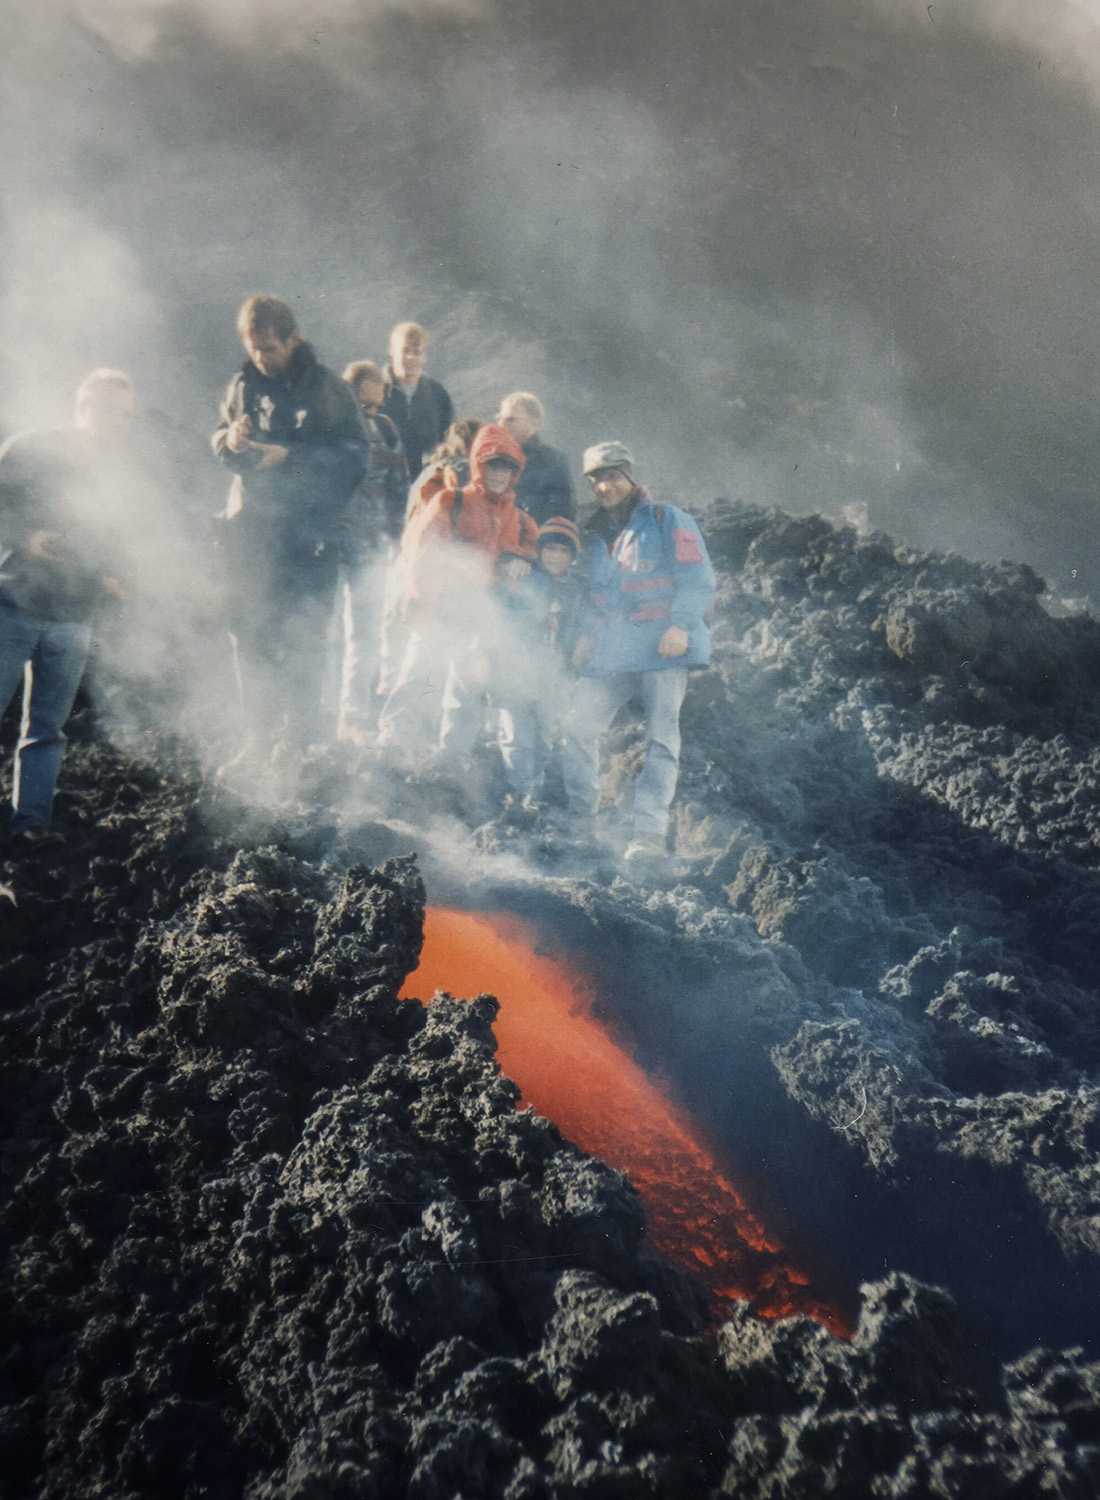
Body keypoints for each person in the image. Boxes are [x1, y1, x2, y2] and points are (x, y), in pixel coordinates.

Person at [212, 294, 367, 771]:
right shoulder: (241, 384)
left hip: (309, 537)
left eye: (271, 349)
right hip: (252, 535)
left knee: (304, 639)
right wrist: (230, 442)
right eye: (254, 348)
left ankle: (298, 746)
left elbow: (354, 456)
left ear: (293, 339)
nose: (262, 358)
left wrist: (291, 457)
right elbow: (219, 436)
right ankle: (256, 743)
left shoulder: (327, 389)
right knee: (251, 639)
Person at [562, 441, 715, 862]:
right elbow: (600, 599)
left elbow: (697, 576)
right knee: (577, 725)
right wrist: (586, 637)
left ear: (630, 475)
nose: (604, 486)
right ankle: (581, 819)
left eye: (612, 476)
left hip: (663, 646)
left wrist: (682, 625)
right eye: (596, 479)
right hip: (615, 650)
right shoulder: (597, 535)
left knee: (661, 737)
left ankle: (647, 834)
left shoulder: (667, 519)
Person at [0, 368, 134, 842]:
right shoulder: (32, 450)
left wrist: (112, 576)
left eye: (125, 414)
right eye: (109, 411)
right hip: (14, 607)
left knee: (47, 729)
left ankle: (31, 823)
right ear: (83, 408)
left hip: (73, 617)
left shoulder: (117, 472)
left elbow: (117, 536)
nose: (118, 422)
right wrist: (23, 538)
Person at [378, 422, 538, 766]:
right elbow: (422, 555)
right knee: (421, 679)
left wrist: (522, 566)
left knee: (465, 690)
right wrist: (420, 605)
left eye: (506, 467)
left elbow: (532, 556)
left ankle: (451, 760)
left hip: (481, 615)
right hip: (440, 609)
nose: (498, 474)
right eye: (492, 464)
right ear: (478, 463)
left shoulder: (521, 520)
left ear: (515, 472)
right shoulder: (450, 502)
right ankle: (390, 750)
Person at [337, 361, 409, 742]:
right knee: (336, 630)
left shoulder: (386, 427)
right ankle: (334, 713)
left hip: (370, 540)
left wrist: (397, 533)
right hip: (337, 540)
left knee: (363, 632)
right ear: (359, 387)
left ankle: (353, 716)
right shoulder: (335, 425)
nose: (381, 389)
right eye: (375, 383)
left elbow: (400, 480)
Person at [492, 516, 586, 807]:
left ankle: (537, 793)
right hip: (516, 670)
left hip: (553, 673)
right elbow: (495, 610)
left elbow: (580, 627)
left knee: (545, 734)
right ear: (539, 551)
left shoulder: (577, 589)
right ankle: (520, 794)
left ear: (572, 556)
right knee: (516, 735)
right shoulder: (523, 578)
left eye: (564, 551)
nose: (556, 557)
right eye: (550, 549)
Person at [380, 322, 454, 481]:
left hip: (426, 485)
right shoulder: (375, 391)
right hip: (382, 488)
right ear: (391, 351)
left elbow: (449, 444)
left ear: (424, 356)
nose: (411, 357)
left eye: (416, 352)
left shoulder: (438, 395)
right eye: (405, 350)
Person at [497, 392, 576, 526]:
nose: (501, 425)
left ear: (534, 424)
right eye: (500, 418)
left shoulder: (554, 461)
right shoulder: (492, 460)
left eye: (511, 419)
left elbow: (564, 514)